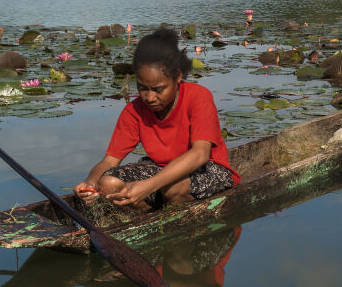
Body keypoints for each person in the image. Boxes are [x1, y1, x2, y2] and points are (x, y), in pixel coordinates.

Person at [76, 27, 239, 212]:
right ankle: (151, 212)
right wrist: (90, 183)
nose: (150, 97)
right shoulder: (134, 110)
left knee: (173, 188)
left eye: (158, 89)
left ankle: (171, 218)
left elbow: (200, 154)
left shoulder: (198, 97)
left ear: (177, 77)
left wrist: (149, 186)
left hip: (208, 168)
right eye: (142, 88)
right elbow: (110, 161)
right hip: (160, 169)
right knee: (108, 183)